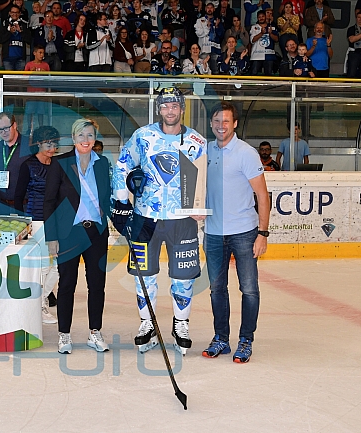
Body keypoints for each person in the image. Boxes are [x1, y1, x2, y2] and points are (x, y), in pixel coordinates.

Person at [111, 87, 207, 356]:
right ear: (158, 109)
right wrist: (121, 201)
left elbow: (204, 177)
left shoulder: (197, 141)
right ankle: (147, 324)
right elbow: (122, 165)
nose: (170, 110)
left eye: (175, 105)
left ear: (182, 108)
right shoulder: (143, 137)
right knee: (144, 275)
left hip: (182, 219)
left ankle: (181, 324)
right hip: (145, 218)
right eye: (165, 106)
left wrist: (201, 204)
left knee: (183, 276)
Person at [203, 102, 270, 363]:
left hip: (244, 232)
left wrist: (262, 233)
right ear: (211, 124)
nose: (221, 126)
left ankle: (246, 340)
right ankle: (221, 338)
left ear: (235, 124)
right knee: (216, 289)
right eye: (217, 121)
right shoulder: (204, 151)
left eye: (226, 121)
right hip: (213, 233)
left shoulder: (246, 153)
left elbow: (262, 196)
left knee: (249, 289)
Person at [43, 118, 111, 355]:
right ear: (73, 139)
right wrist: (51, 237)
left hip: (96, 233)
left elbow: (107, 198)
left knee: (97, 285)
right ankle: (64, 334)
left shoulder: (102, 164)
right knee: (67, 285)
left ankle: (95, 332)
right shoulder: (59, 164)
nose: (85, 140)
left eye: (90, 135)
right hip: (69, 233)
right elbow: (49, 201)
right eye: (81, 136)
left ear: (95, 139)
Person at [14, 126, 61, 325]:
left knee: (58, 266)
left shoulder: (58, 164)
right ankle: (38, 305)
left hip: (56, 221)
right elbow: (18, 196)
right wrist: (22, 225)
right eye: (48, 144)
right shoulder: (28, 165)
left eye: (55, 143)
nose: (52, 148)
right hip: (35, 220)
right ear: (39, 143)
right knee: (43, 265)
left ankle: (42, 299)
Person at [0, 112, 31, 217]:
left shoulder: (30, 146)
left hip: (24, 207)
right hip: (1, 206)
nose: (3, 132)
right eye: (0, 130)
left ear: (14, 125)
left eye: (6, 128)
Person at [24, 45, 50, 129]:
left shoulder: (45, 65)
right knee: (29, 112)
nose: (42, 55)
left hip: (41, 92)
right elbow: (23, 78)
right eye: (40, 53)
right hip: (31, 92)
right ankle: (29, 128)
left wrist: (45, 74)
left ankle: (41, 128)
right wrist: (30, 72)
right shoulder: (29, 65)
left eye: (43, 53)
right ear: (34, 53)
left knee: (41, 112)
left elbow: (49, 79)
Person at [0, 5, 31, 71]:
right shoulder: (4, 24)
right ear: (9, 13)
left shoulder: (24, 24)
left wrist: (20, 31)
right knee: (8, 80)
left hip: (20, 59)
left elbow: (29, 40)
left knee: (19, 81)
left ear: (20, 13)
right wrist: (9, 32)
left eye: (16, 12)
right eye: (13, 12)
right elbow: (0, 40)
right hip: (8, 59)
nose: (14, 14)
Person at [250, 9, 278, 76]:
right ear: (257, 18)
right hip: (257, 54)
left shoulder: (272, 27)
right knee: (254, 74)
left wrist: (271, 34)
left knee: (268, 75)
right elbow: (252, 40)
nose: (261, 18)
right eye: (259, 17)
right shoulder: (254, 27)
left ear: (265, 17)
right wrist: (261, 33)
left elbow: (276, 39)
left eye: (262, 16)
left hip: (269, 55)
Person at [347, 11, 361, 78]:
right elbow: (352, 39)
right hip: (354, 53)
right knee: (351, 73)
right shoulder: (351, 29)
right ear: (356, 18)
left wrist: (357, 37)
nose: (360, 19)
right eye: (358, 17)